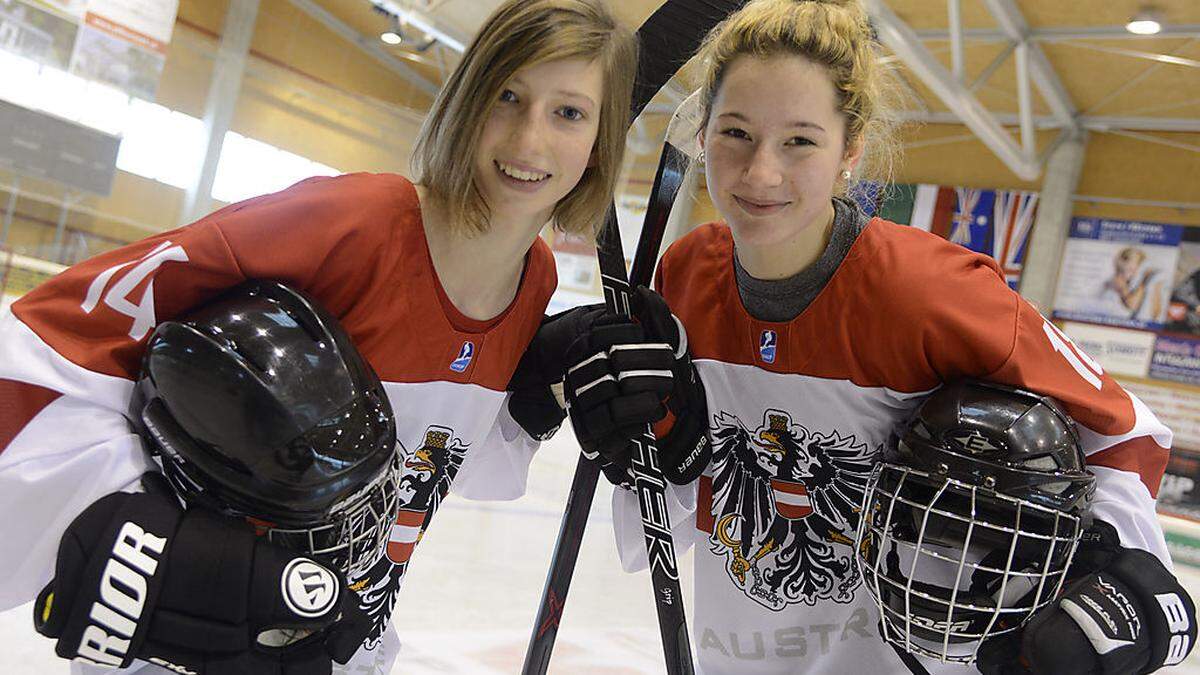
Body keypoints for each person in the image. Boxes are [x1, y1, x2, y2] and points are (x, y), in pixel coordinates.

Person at [509, 0, 1189, 673]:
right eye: (736, 132)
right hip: (737, 649)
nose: (760, 172)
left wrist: (1126, 590)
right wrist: (646, 436)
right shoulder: (685, 273)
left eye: (799, 141)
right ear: (703, 130)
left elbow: (1124, 431)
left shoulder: (931, 292)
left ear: (850, 151)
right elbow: (693, 479)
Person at [0, 0, 637, 672]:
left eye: (568, 112)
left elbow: (428, 468)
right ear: (468, 98)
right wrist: (141, 532)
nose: (529, 140)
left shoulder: (532, 279)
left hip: (342, 650)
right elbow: (47, 339)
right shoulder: (350, 224)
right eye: (508, 95)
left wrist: (532, 407)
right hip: (192, 651)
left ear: (601, 141)